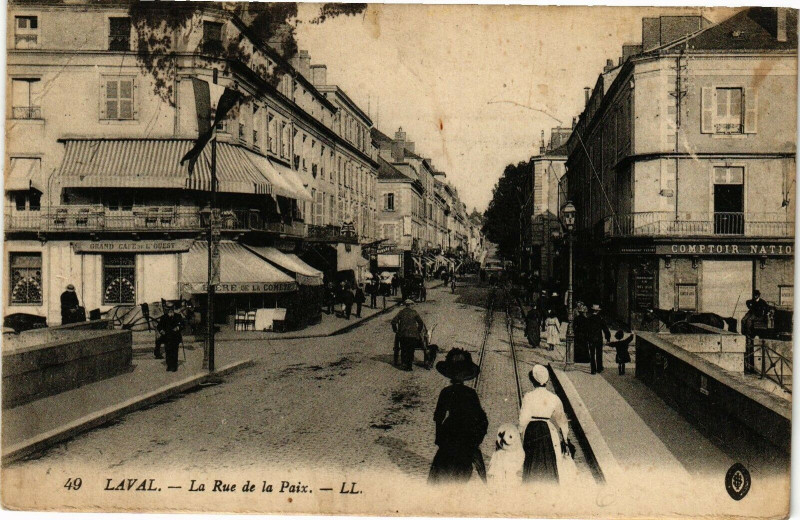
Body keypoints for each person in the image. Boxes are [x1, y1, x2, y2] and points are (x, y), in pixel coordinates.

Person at [429, 348, 488, 484]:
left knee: (441, 471)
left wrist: (439, 437)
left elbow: (439, 417)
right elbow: (481, 418)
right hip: (466, 434)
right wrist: (476, 440)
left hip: (449, 432)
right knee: (464, 469)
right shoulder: (471, 393)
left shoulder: (446, 392)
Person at [519, 365, 576, 485]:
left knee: (531, 462)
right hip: (548, 431)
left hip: (531, 431)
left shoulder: (528, 396)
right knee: (549, 461)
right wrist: (565, 440)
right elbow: (562, 420)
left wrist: (521, 434)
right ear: (547, 380)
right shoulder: (554, 398)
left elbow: (523, 420)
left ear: (533, 380)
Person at [391, 299, 426, 371]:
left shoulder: (401, 312)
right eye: (412, 305)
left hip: (403, 335)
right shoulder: (414, 312)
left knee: (404, 349)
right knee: (411, 350)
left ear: (406, 305)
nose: (413, 306)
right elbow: (421, 323)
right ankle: (409, 366)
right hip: (412, 335)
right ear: (410, 305)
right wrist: (418, 331)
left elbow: (393, 322)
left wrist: (395, 330)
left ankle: (404, 364)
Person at [157, 303, 184, 372]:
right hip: (167, 337)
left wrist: (178, 328)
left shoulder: (178, 316)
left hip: (175, 337)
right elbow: (159, 326)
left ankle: (174, 366)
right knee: (168, 351)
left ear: (173, 309)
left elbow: (183, 324)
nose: (170, 310)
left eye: (171, 309)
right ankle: (169, 365)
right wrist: (161, 331)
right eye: (169, 309)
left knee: (175, 351)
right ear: (167, 310)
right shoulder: (163, 317)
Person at [586, 304, 611, 374]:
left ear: (593, 310)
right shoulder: (600, 319)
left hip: (591, 338)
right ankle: (599, 368)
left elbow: (586, 329)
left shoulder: (589, 319)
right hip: (599, 338)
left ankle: (593, 370)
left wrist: (587, 338)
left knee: (592, 354)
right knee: (599, 353)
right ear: (598, 311)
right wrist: (608, 338)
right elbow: (605, 329)